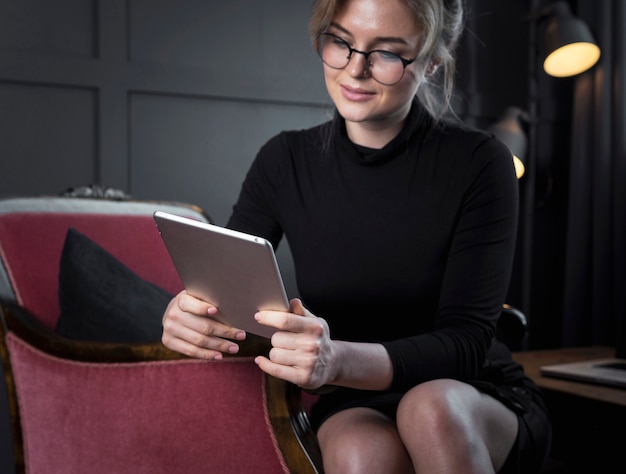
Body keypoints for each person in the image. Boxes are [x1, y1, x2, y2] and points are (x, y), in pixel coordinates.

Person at [161, 0, 552, 472]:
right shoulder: (283, 161)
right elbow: (229, 296)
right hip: (354, 398)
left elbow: (466, 342)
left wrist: (334, 360)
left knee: (429, 409)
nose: (356, 69)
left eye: (386, 53)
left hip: (472, 391)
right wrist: (187, 314)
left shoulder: (481, 162)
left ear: (431, 60)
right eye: (342, 42)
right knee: (359, 455)